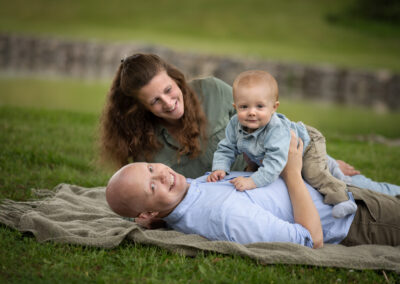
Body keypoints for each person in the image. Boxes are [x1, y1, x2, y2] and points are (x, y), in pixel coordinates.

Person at [99, 53, 400, 196]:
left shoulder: (213, 91)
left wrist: (317, 158)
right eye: (154, 101)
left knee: (361, 188)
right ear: (140, 106)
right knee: (351, 201)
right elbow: (134, 196)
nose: (167, 102)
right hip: (243, 195)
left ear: (175, 78)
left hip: (277, 164)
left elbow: (267, 122)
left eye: (168, 90)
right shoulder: (142, 143)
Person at [105, 132, 400, 248]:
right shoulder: (223, 216)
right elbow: (310, 238)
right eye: (152, 186)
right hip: (358, 218)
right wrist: (293, 173)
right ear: (149, 208)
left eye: (150, 168)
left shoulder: (189, 191)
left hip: (336, 192)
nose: (162, 174)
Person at [207, 70, 356, 218]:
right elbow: (226, 147)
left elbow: (274, 164)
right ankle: (334, 170)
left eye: (259, 106)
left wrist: (252, 182)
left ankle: (342, 199)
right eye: (244, 107)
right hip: (273, 152)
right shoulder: (235, 124)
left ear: (274, 107)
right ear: (235, 107)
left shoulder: (275, 129)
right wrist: (220, 167)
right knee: (254, 166)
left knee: (312, 173)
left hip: (307, 144)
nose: (251, 112)